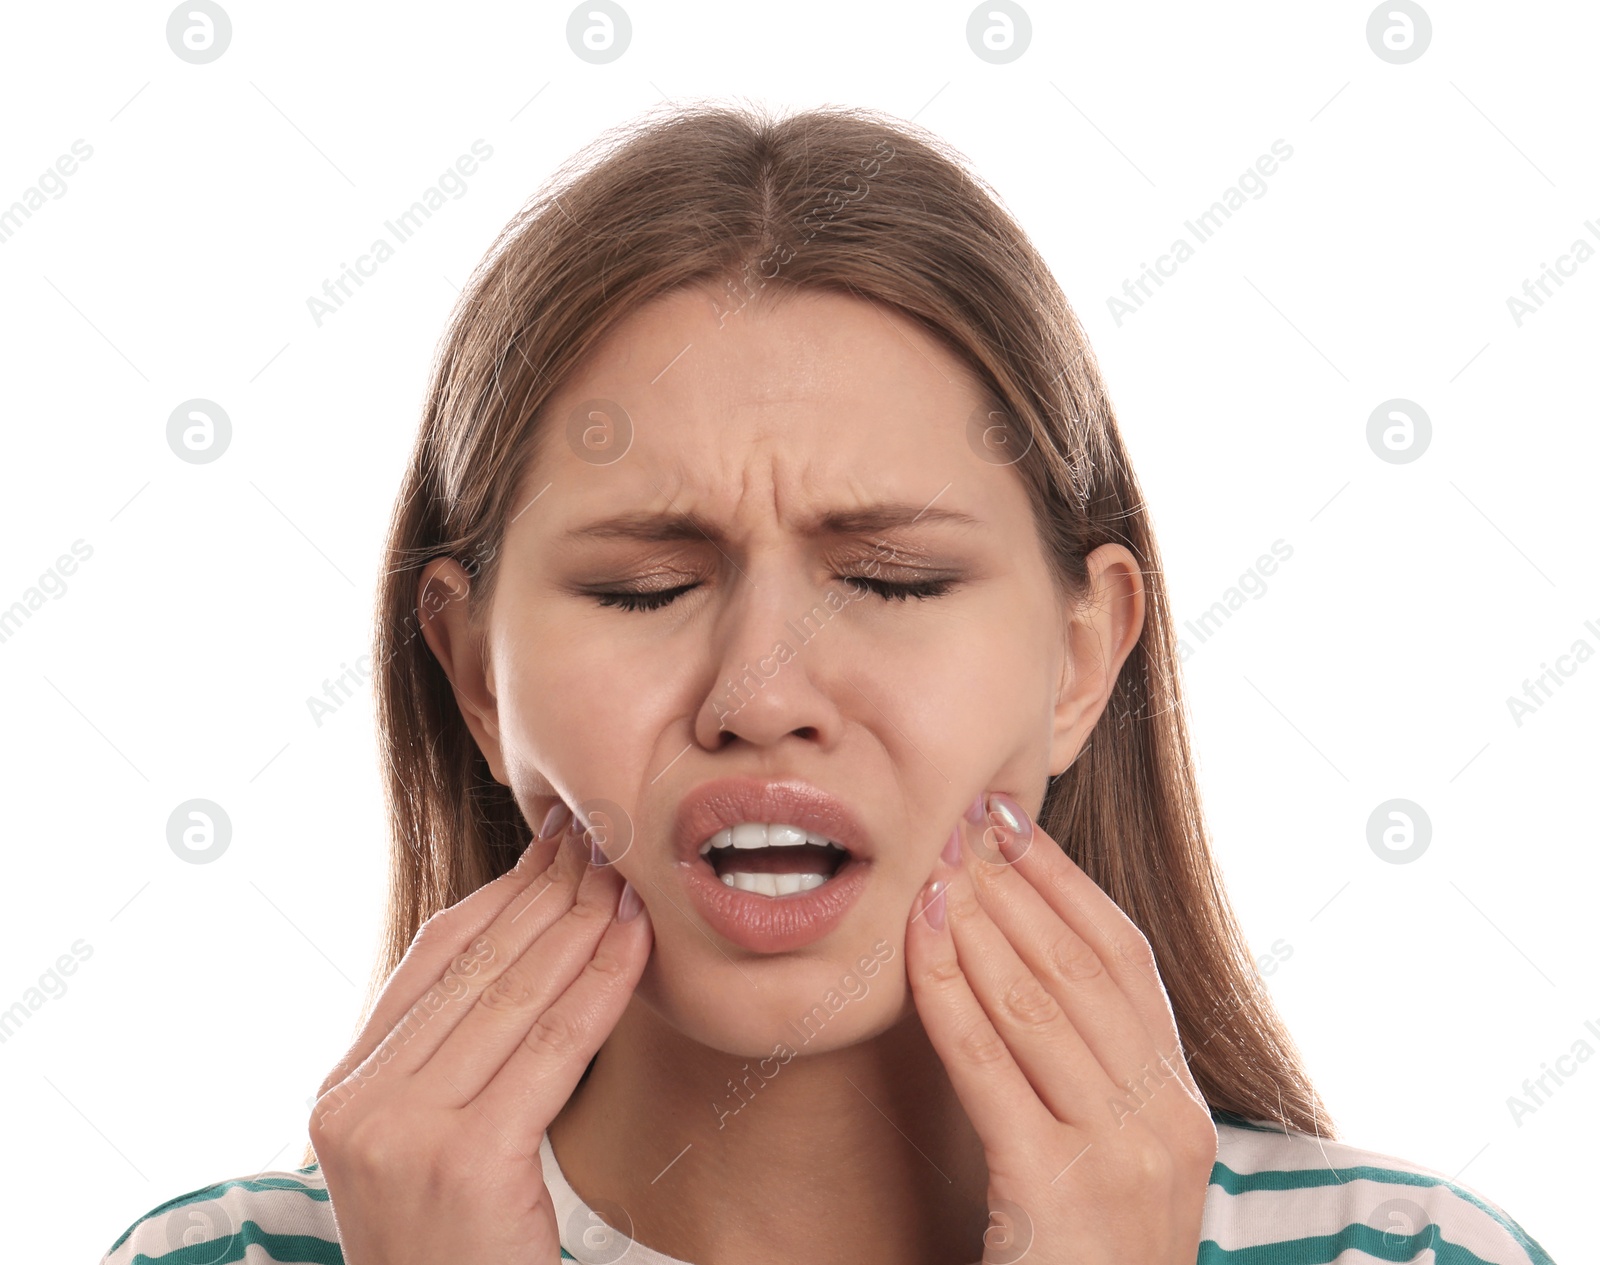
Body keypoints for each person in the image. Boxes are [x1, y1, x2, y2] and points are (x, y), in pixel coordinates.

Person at [100, 101, 1556, 1265]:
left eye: (895, 578)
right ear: (475, 675)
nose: (760, 690)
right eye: (643, 587)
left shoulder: (1417, 1254)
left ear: (1082, 654)